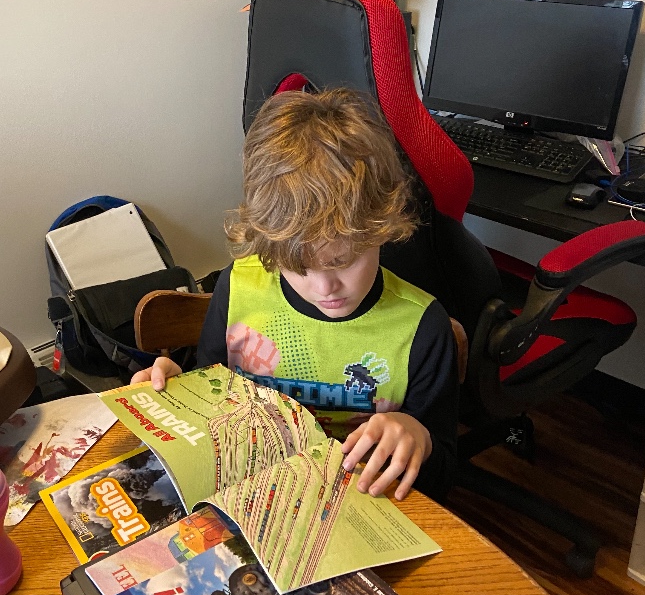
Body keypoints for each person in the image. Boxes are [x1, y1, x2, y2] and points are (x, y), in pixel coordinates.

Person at [132, 88, 459, 501]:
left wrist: (417, 438)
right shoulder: (239, 287)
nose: (325, 288)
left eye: (343, 260)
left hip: (356, 502)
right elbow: (212, 395)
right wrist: (180, 394)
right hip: (250, 490)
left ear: (381, 228)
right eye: (298, 266)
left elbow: (443, 478)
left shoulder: (422, 328)